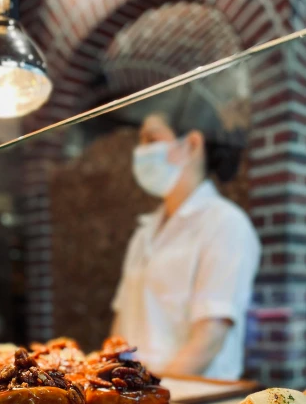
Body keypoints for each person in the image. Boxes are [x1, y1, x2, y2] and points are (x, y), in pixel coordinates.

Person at [111, 111, 261, 380]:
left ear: (192, 144)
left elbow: (210, 337)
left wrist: (154, 397)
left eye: (151, 139)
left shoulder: (225, 223)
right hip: (135, 398)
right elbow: (121, 325)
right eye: (141, 140)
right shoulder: (145, 231)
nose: (141, 150)